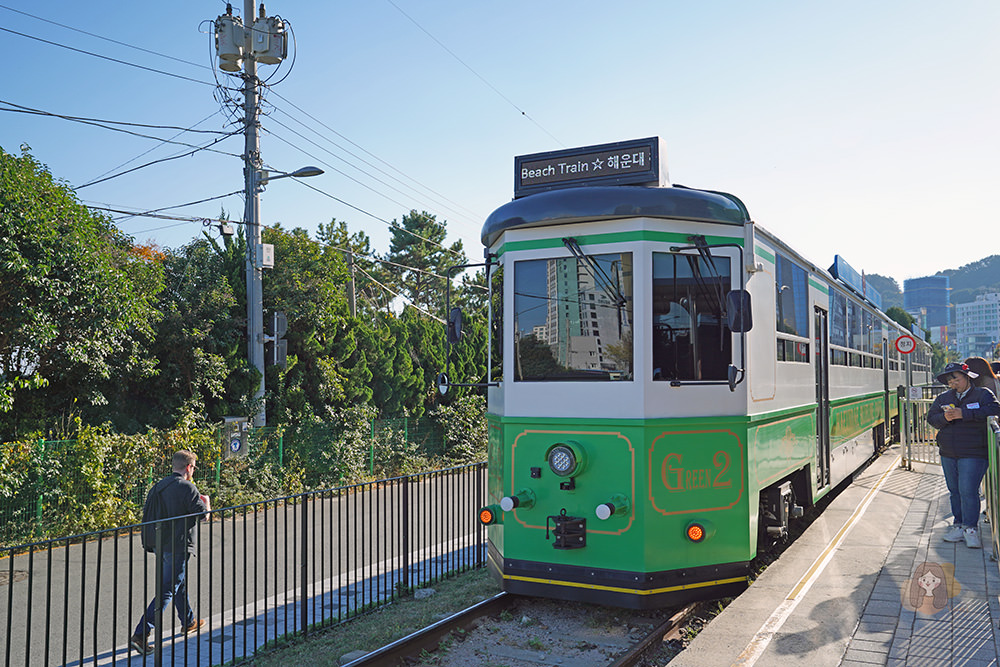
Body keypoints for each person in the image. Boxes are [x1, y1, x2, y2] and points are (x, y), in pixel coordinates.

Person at [130, 450, 209, 655]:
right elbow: (203, 516)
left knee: (177, 584)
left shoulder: (158, 486)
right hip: (179, 545)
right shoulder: (187, 487)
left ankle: (189, 621)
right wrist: (207, 503)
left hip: (160, 545)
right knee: (168, 588)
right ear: (189, 467)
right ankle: (141, 634)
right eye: (193, 468)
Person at [926, 362, 1000, 549]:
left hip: (974, 451)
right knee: (955, 491)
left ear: (967, 377)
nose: (953, 383)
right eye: (950, 381)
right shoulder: (943, 397)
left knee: (968, 491)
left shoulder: (983, 394)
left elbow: (994, 410)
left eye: (956, 379)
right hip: (948, 452)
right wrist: (945, 418)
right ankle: (958, 525)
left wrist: (964, 413)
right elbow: (932, 418)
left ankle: (971, 529)